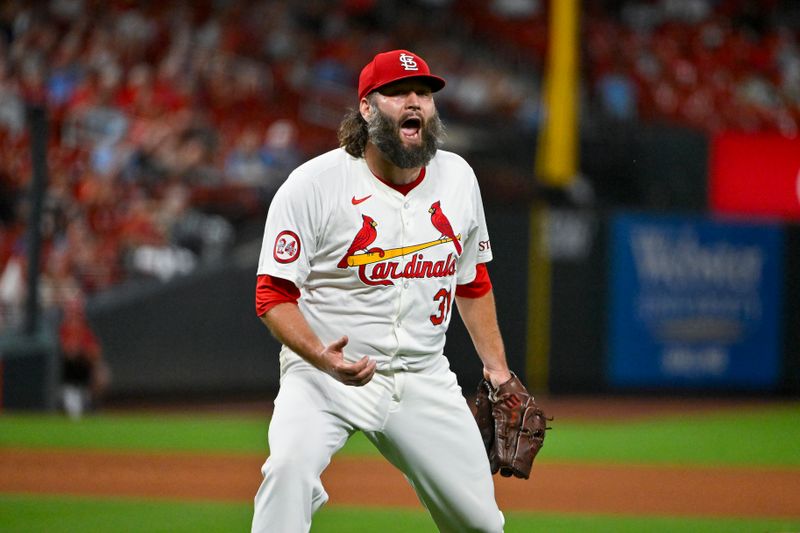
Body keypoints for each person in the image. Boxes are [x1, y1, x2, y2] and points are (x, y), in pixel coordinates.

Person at [252, 49, 524, 532]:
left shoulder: (458, 178)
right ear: (367, 108)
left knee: (481, 524)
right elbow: (272, 295)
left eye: (423, 93)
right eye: (398, 93)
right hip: (324, 377)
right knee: (288, 470)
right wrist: (320, 356)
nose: (414, 101)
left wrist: (498, 371)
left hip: (421, 375)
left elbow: (473, 281)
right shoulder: (313, 185)